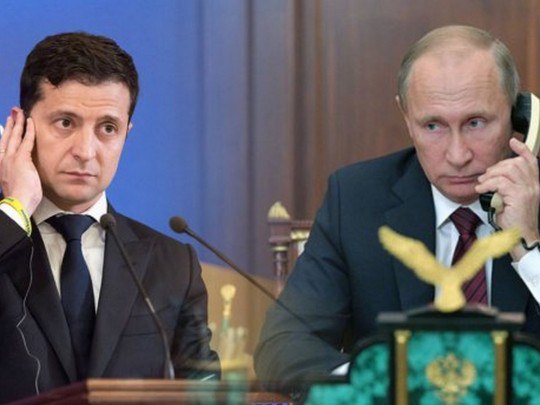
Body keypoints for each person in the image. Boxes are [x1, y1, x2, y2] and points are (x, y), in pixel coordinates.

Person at [255, 25, 540, 389]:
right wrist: (385, 384)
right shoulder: (356, 199)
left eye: (476, 122)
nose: (458, 155)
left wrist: (527, 246)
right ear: (406, 117)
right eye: (433, 126)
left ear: (518, 115)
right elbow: (283, 345)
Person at [0, 32, 218, 402]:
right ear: (20, 127)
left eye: (107, 128)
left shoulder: (173, 266)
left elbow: (205, 392)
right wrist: (16, 206)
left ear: (126, 134)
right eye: (65, 123)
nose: (86, 151)